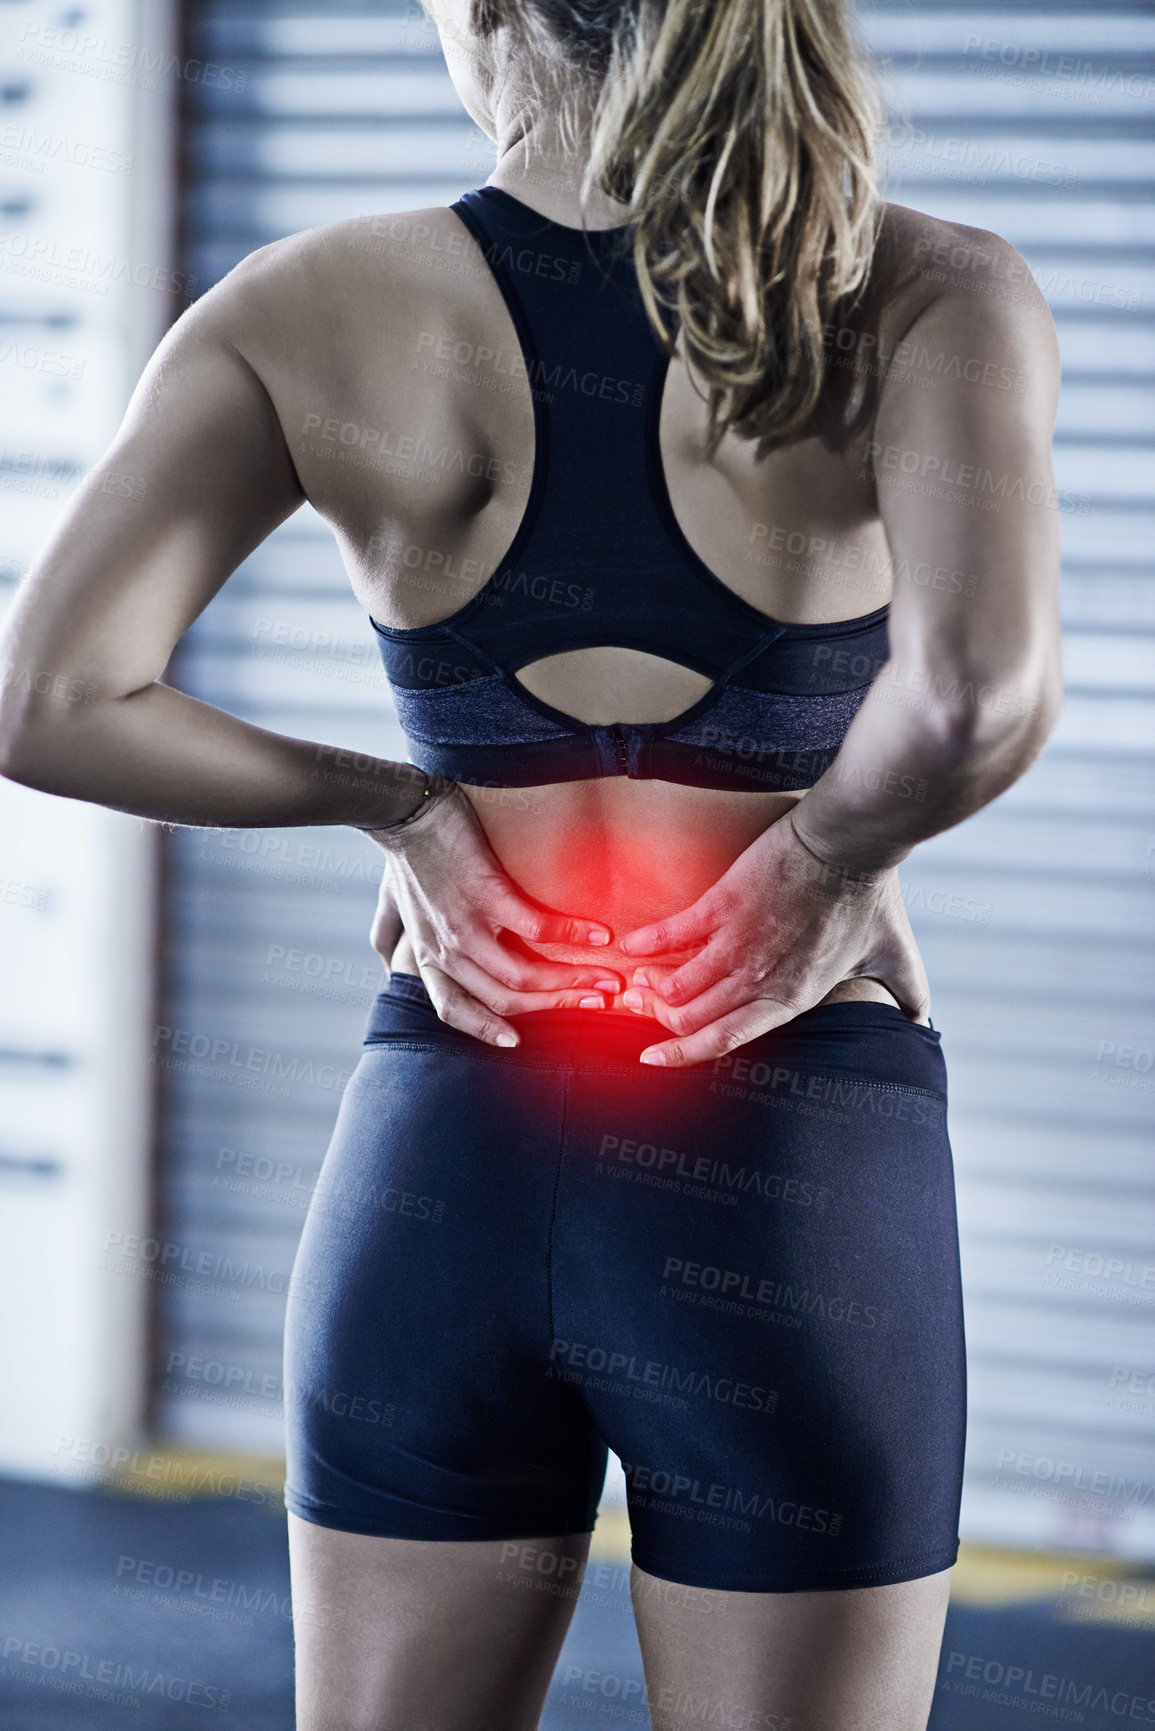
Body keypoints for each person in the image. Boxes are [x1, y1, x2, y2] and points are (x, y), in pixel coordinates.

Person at [0, 0, 1063, 1723]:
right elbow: (975, 702)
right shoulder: (928, 288)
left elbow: (48, 701)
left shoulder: (304, 306)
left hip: (453, 1124)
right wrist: (820, 863)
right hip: (785, 1138)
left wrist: (403, 805)